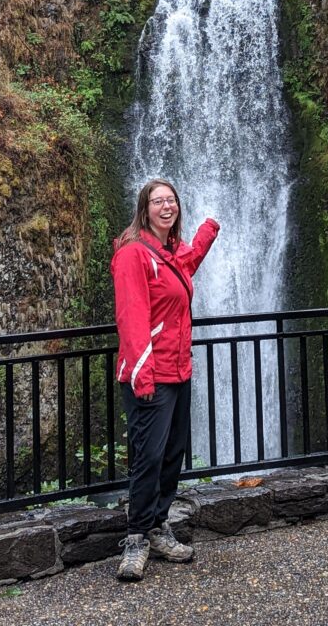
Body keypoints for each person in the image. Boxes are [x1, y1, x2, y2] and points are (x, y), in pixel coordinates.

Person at [112, 179, 220, 582]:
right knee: (149, 457)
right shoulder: (131, 254)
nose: (166, 206)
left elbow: (184, 267)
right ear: (144, 208)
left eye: (171, 200)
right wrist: (142, 376)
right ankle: (136, 537)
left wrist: (207, 231)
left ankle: (158, 527)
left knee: (172, 453)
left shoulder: (168, 253)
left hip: (178, 371)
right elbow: (132, 317)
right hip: (149, 375)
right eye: (158, 201)